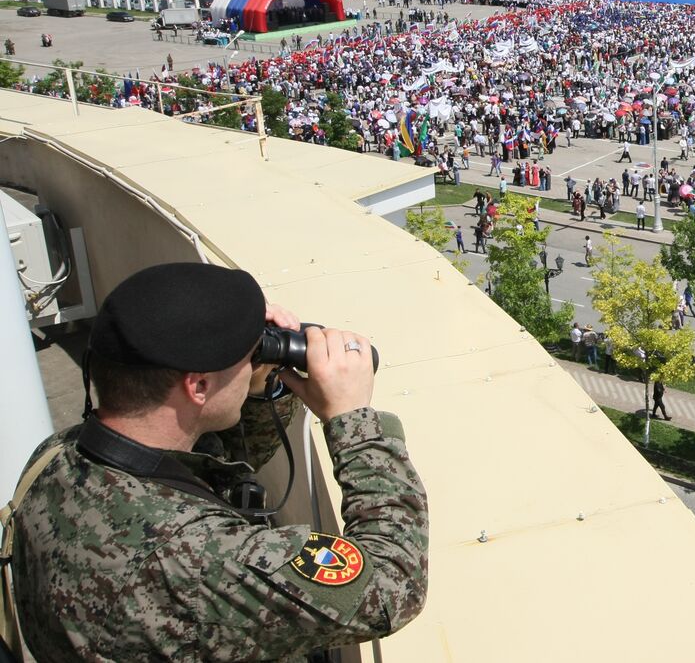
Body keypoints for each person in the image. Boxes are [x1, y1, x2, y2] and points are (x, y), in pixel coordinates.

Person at [6, 263, 428, 661]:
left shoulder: (59, 457)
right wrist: (352, 422)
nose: (253, 365)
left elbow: (214, 463)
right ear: (199, 385)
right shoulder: (197, 559)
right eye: (250, 358)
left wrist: (261, 385)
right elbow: (394, 584)